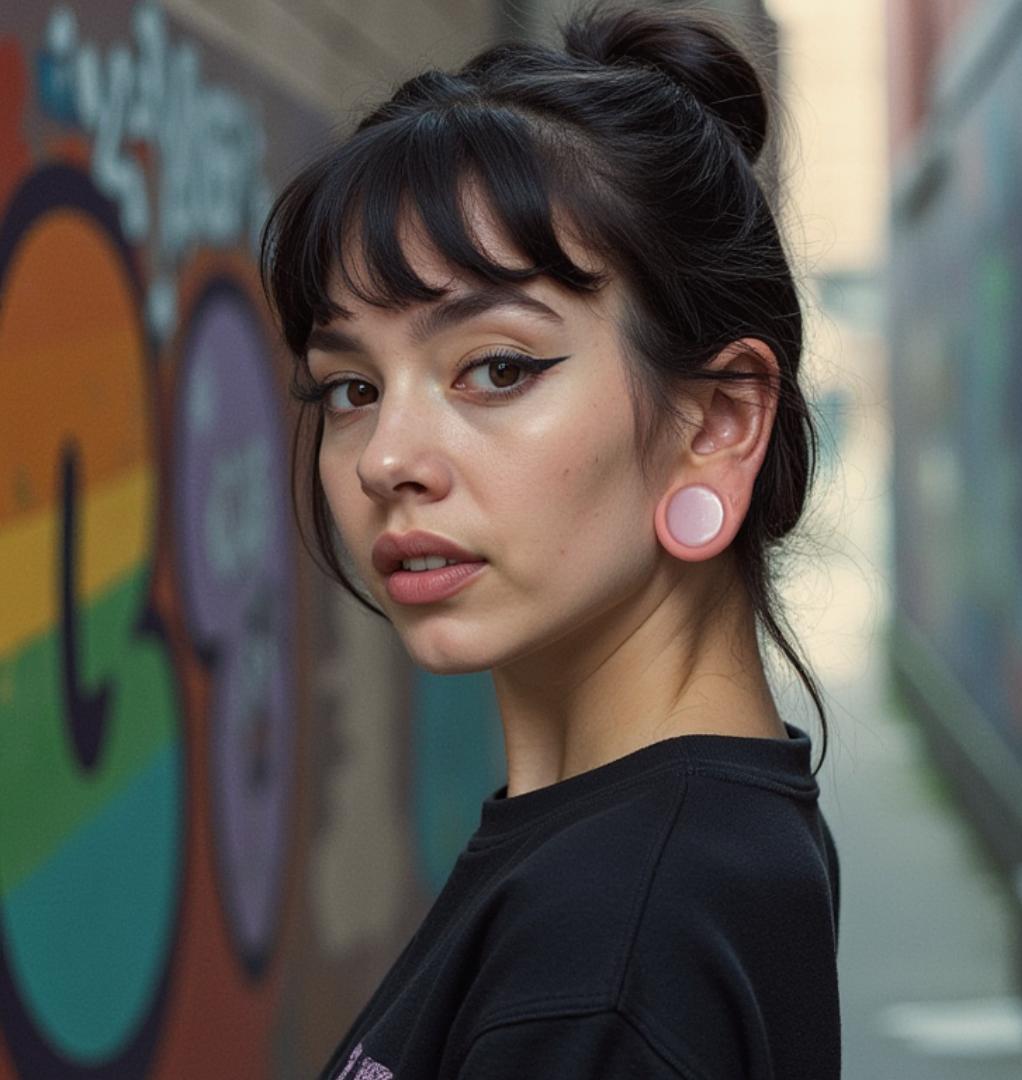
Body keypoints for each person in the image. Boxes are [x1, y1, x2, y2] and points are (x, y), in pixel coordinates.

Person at [261, 1, 841, 1076]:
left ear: (717, 423)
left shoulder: (611, 956)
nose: (388, 459)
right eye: (349, 386)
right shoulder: (655, 847)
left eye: (497, 367)